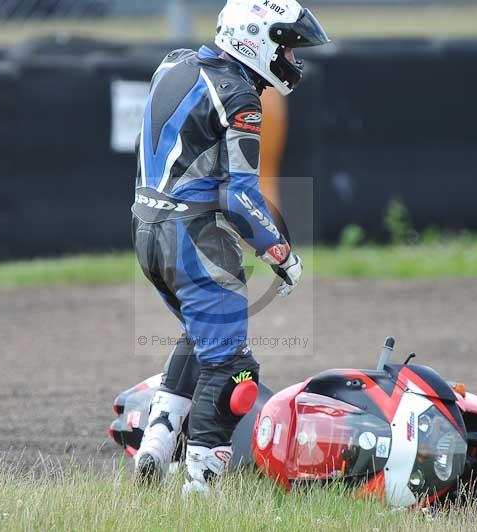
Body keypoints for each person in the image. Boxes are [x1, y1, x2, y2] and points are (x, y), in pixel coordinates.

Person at [131, 0, 329, 495]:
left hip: (144, 229)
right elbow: (239, 194)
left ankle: (155, 446)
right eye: (283, 45)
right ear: (255, 40)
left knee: (202, 339)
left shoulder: (173, 63)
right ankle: (201, 489)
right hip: (195, 240)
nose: (291, 57)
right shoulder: (240, 95)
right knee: (235, 371)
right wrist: (279, 251)